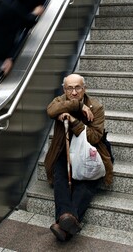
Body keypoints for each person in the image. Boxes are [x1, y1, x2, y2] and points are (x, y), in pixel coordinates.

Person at [44, 73, 113, 241]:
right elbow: (51, 110)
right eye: (70, 88)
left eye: (78, 88)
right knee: (60, 177)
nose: (74, 92)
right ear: (64, 89)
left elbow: (95, 137)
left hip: (92, 152)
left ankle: (63, 224)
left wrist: (74, 121)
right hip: (65, 151)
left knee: (86, 182)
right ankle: (68, 221)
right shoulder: (60, 101)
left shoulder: (96, 107)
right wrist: (77, 105)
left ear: (84, 88)